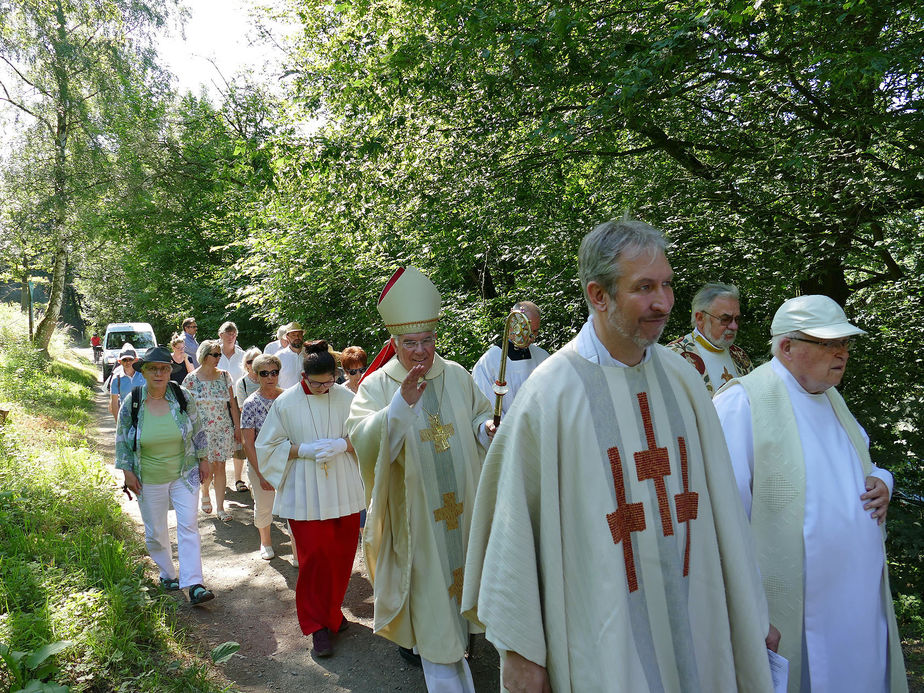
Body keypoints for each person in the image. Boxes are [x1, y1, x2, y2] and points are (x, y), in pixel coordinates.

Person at [461, 217, 776, 692]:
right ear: (598, 295)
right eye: (644, 287)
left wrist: (753, 609)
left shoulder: (683, 380)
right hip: (602, 632)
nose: (664, 303)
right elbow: (514, 539)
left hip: (697, 615)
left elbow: (724, 513)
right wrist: (523, 656)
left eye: (667, 285)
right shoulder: (551, 395)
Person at [712, 294, 906, 693]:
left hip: (858, 607)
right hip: (797, 609)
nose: (842, 353)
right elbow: (723, 517)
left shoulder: (830, 398)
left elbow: (858, 464)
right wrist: (748, 611)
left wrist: (884, 480)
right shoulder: (742, 403)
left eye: (846, 344)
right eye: (830, 344)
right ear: (787, 347)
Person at [347, 266, 495, 693]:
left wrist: (485, 428)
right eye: (409, 343)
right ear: (394, 343)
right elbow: (363, 440)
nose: (419, 351)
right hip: (419, 528)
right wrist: (399, 408)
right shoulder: (377, 385)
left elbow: (480, 413)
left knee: (464, 614)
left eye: (426, 341)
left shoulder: (457, 374)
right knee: (437, 630)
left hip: (464, 517)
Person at [256, 341, 365, 657]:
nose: (322, 388)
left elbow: (367, 434)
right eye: (316, 383)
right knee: (314, 557)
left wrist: (344, 445)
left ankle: (332, 611)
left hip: (342, 486)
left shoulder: (347, 397)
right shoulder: (286, 403)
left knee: (342, 555)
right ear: (303, 376)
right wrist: (301, 449)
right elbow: (266, 447)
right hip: (304, 489)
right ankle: (317, 625)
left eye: (328, 382)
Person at [115, 347, 215, 606]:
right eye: (152, 368)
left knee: (189, 526)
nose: (158, 373)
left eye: (164, 368)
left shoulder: (183, 396)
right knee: (156, 531)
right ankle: (167, 573)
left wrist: (204, 460)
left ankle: (194, 583)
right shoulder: (133, 400)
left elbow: (198, 429)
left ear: (171, 370)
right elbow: (122, 439)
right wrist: (127, 472)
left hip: (185, 473)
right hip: (147, 476)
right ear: (144, 371)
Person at [185, 339, 242, 522]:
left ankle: (220, 508)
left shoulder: (225, 376)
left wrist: (237, 427)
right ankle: (204, 492)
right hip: (202, 430)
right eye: (215, 354)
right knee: (207, 467)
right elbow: (185, 408)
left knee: (221, 466)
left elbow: (232, 404)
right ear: (204, 356)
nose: (218, 358)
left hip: (222, 428)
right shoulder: (191, 380)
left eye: (219, 355)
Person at [666, 282, 753, 395]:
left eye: (736, 319)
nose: (734, 326)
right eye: (725, 319)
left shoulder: (740, 357)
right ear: (700, 318)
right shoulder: (673, 356)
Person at [471, 300, 550, 417]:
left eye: (535, 331)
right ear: (513, 324)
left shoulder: (542, 357)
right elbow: (485, 408)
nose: (532, 337)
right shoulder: (489, 362)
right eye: (527, 330)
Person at [240, 353, 283, 561]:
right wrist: (261, 473)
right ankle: (265, 542)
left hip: (287, 460)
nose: (270, 377)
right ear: (256, 376)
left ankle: (296, 546)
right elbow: (247, 442)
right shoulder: (251, 403)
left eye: (274, 372)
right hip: (261, 461)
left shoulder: (286, 398)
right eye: (264, 373)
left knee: (293, 502)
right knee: (264, 503)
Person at [217, 321, 247, 492]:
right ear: (220, 335)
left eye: (234, 333)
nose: (231, 336)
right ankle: (218, 477)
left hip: (237, 400)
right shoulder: (214, 354)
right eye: (227, 333)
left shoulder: (242, 355)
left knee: (239, 438)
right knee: (220, 437)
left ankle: (238, 479)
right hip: (218, 402)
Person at [109, 345, 145, 419]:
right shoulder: (116, 378)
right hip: (125, 416)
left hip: (143, 415)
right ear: (119, 361)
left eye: (130, 359)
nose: (127, 362)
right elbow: (114, 403)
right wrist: (118, 423)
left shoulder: (144, 375)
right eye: (124, 360)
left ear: (136, 360)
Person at [277, 322, 306, 389]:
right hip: (286, 397)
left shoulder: (310, 354)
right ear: (287, 337)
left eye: (299, 335)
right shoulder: (279, 357)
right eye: (293, 335)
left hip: (308, 397)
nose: (297, 337)